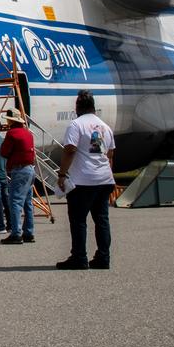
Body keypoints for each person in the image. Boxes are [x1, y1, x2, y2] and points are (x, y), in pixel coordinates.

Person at [56, 90, 116, 270]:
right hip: (104, 179)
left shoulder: (76, 125)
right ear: (94, 108)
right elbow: (110, 154)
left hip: (83, 181)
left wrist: (62, 174)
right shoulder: (104, 127)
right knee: (101, 219)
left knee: (78, 220)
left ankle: (79, 257)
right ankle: (103, 257)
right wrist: (106, 175)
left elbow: (70, 149)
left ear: (77, 108)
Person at [0, 110, 36, 244]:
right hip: (30, 169)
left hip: (19, 170)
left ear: (11, 121)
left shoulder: (12, 134)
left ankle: (16, 233)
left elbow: (4, 152)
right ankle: (29, 232)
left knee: (14, 201)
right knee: (28, 202)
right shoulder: (28, 133)